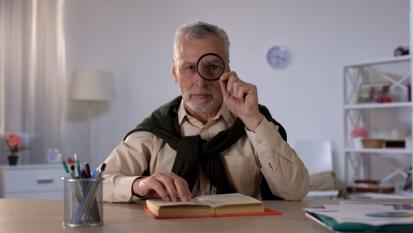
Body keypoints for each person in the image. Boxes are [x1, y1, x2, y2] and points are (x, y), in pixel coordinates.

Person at [101, 21, 309, 202]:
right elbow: (95, 185)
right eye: (189, 68)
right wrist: (139, 185)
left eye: (212, 67)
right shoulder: (155, 130)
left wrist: (253, 119)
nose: (200, 82)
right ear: (175, 71)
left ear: (226, 70)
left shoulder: (252, 123)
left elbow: (295, 191)